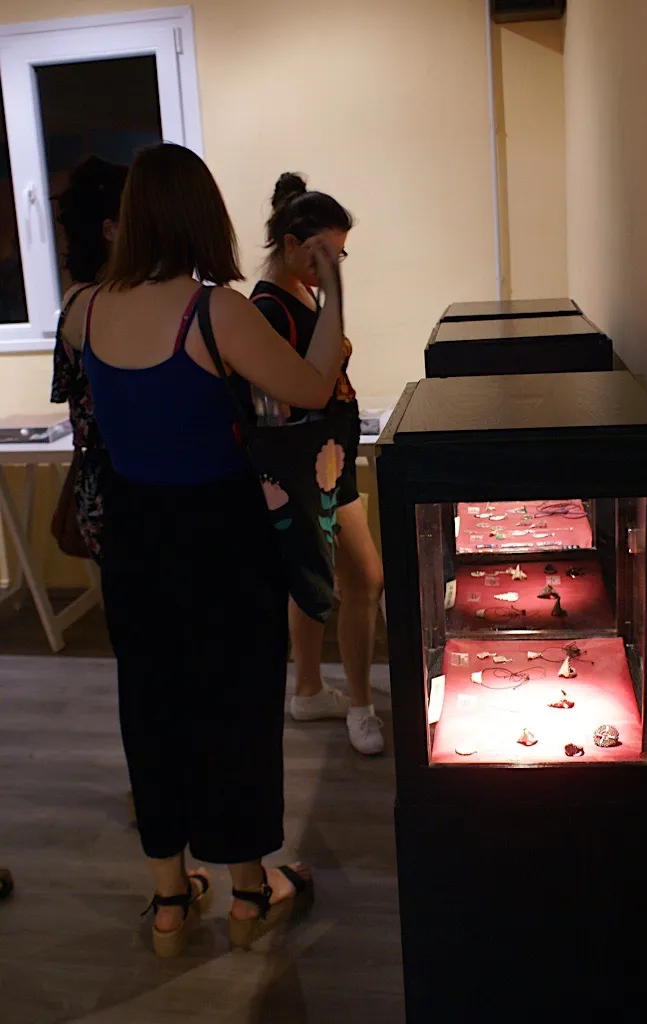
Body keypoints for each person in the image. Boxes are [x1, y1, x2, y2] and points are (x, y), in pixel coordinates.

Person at [73, 143, 344, 956]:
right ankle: (250, 895)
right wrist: (334, 289)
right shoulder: (213, 311)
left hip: (133, 539)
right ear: (201, 214)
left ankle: (168, 901)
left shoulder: (81, 309)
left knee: (151, 708)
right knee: (235, 710)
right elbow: (312, 386)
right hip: (219, 539)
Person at [253, 173, 385, 756]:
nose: (331, 266)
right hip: (307, 471)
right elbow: (298, 390)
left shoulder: (302, 295)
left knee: (315, 579)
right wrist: (333, 292)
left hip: (326, 463)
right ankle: (360, 704)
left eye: (338, 255)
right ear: (290, 244)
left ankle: (308, 691)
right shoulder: (267, 308)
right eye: (323, 254)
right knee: (364, 579)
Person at [51, 155, 128, 560]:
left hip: (116, 474)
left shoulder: (86, 298)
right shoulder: (92, 303)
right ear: (110, 230)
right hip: (116, 482)